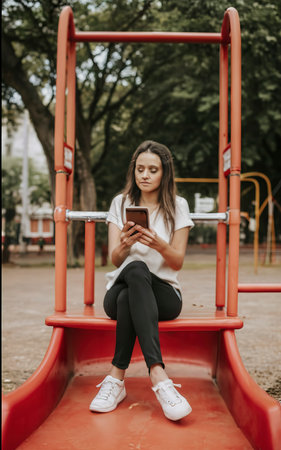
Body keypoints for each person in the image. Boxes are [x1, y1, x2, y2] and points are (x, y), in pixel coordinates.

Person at [89, 140, 194, 421]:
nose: (144, 175)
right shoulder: (120, 203)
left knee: (131, 291)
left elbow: (177, 262)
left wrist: (159, 244)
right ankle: (159, 376)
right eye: (140, 169)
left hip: (165, 296)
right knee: (134, 269)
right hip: (120, 286)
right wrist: (124, 244)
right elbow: (114, 258)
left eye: (152, 170)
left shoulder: (178, 206)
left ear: (164, 173)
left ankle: (116, 379)